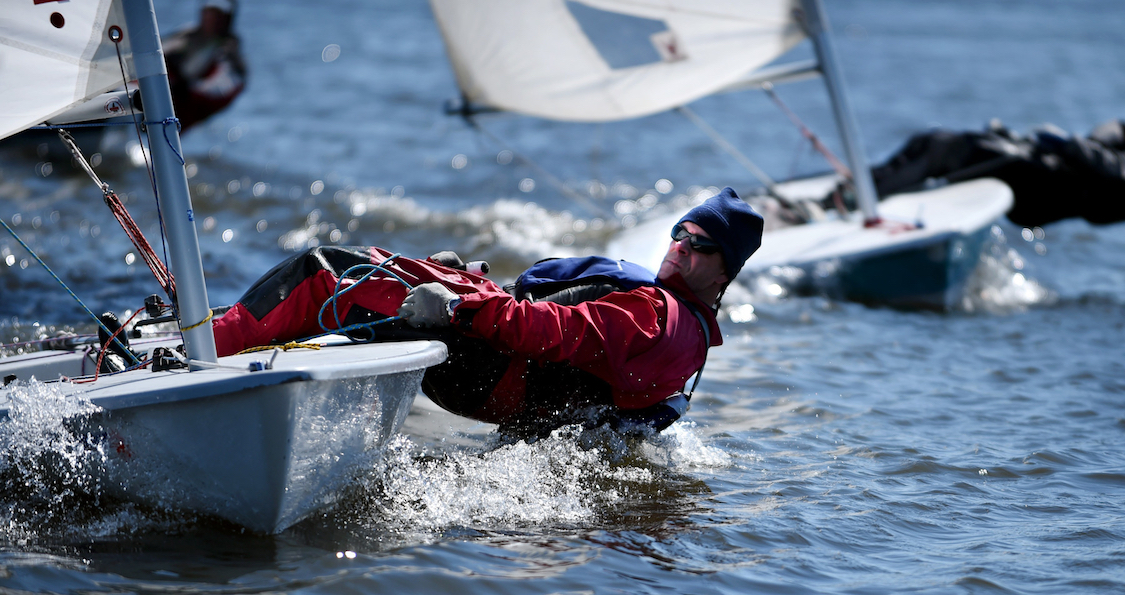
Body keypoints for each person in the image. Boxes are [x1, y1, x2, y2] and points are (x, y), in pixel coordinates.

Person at [211, 188, 765, 437]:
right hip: (508, 386)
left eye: (702, 243)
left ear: (724, 271)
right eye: (679, 232)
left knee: (325, 271)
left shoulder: (655, 318)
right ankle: (242, 344)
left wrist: (456, 306)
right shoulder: (686, 331)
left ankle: (204, 355)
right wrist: (475, 284)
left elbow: (556, 328)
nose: (682, 244)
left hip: (489, 371)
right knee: (377, 283)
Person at [865, 65, 1125, 227]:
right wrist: (1075, 145)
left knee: (941, 149)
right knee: (933, 140)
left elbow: (1120, 173)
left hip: (1048, 193)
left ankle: (861, 201)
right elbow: (1107, 142)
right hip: (1045, 177)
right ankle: (862, 190)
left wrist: (1068, 144)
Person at [162, 0, 247, 131]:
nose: (211, 18)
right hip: (169, 89)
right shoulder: (186, 35)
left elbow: (226, 84)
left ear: (227, 19)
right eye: (209, 12)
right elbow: (160, 50)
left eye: (218, 14)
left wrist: (191, 89)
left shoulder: (229, 51)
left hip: (189, 102)